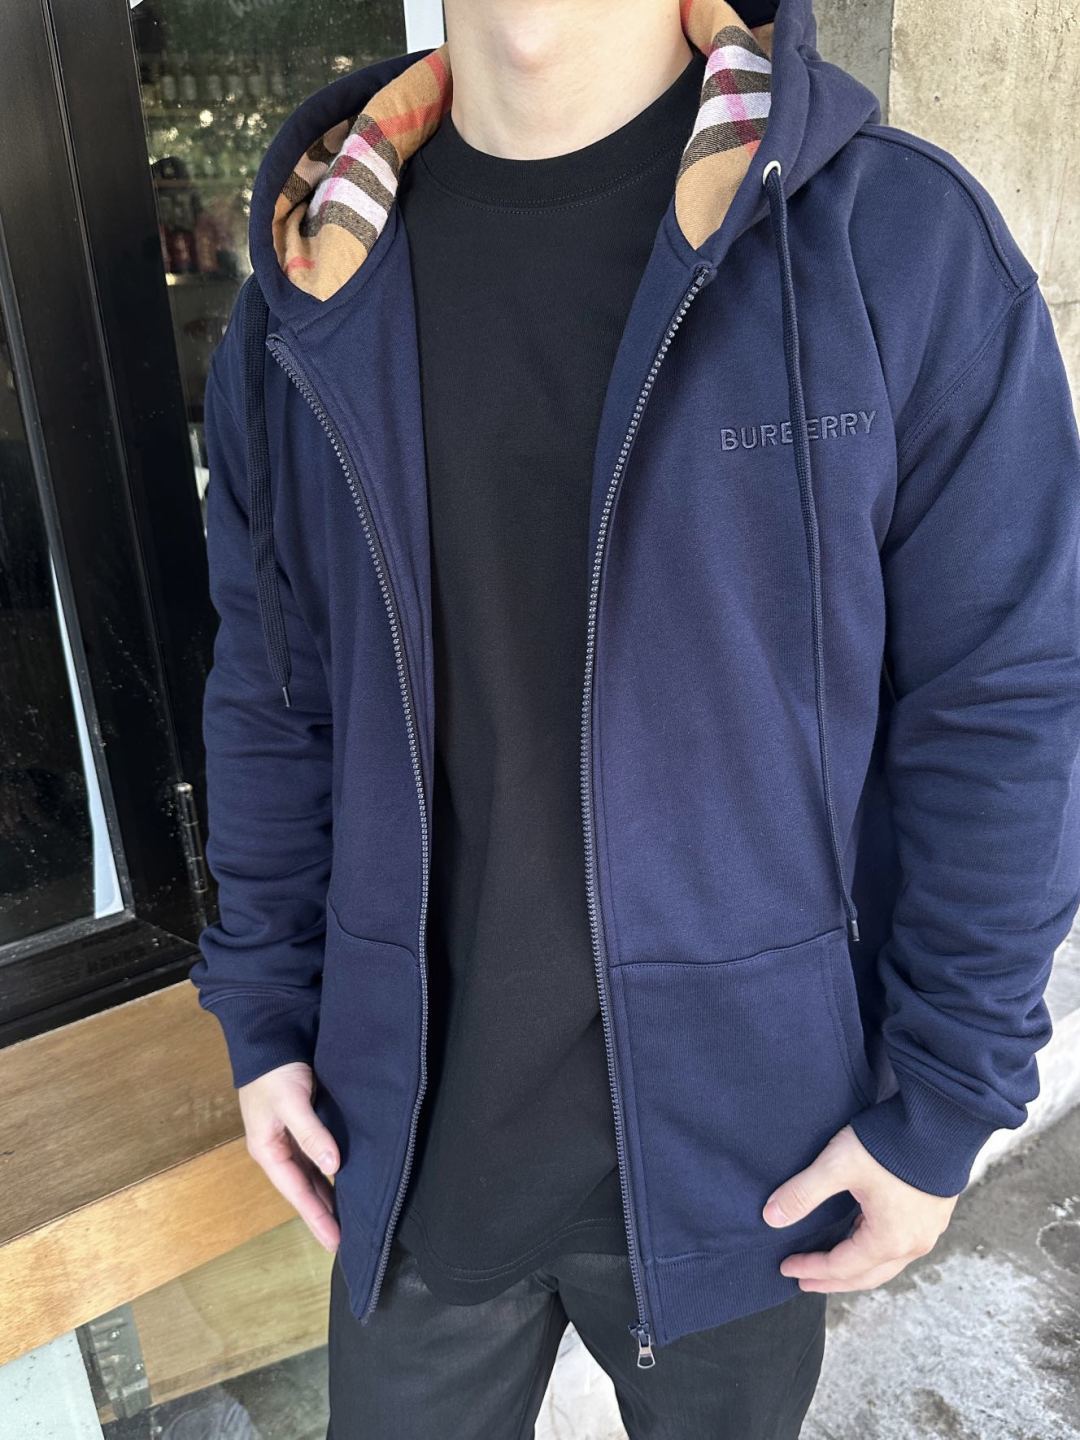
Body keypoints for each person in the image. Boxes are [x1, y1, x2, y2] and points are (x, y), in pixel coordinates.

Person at [190, 0, 1080, 1435]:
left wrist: (944, 1099)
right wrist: (266, 1015)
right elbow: (275, 695)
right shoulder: (310, 291)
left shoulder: (892, 244)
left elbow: (1007, 705)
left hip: (756, 1151)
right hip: (406, 1136)